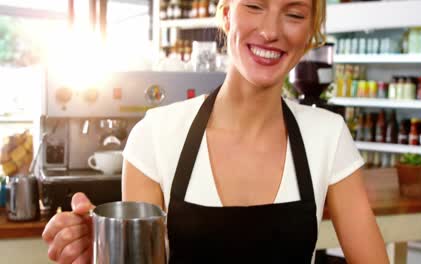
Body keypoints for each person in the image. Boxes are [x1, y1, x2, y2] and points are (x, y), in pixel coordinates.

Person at [42, 0, 389, 263]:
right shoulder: (156, 136)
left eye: (294, 14)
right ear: (226, 15)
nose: (271, 31)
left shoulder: (327, 135)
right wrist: (105, 249)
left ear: (311, 30)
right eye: (254, 5)